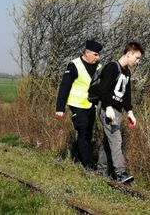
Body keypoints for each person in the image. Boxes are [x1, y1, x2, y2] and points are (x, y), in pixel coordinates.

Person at [97, 42, 144, 184]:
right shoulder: (112, 67)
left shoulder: (127, 72)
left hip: (117, 111)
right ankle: (121, 173)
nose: (137, 62)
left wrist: (130, 111)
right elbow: (103, 89)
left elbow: (126, 94)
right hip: (108, 109)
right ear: (128, 54)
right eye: (136, 58)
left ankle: (101, 171)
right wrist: (108, 106)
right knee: (116, 140)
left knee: (108, 141)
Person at [55, 39, 103, 169]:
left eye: (98, 55)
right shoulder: (74, 65)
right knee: (82, 130)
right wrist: (60, 108)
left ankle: (76, 156)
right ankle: (87, 164)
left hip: (91, 105)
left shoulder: (98, 67)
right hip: (77, 104)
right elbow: (64, 86)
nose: (98, 57)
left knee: (88, 133)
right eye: (95, 54)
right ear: (87, 53)